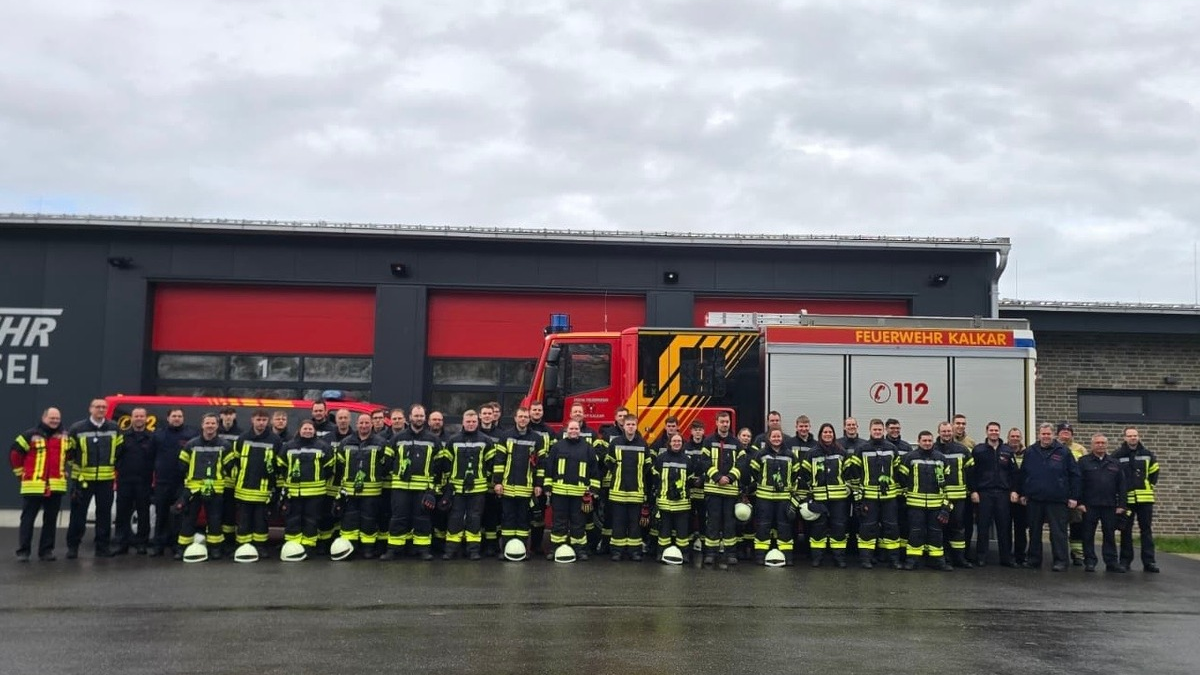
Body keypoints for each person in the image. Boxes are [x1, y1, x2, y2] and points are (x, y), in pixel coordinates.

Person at [1016, 423, 1081, 572]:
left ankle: (1060, 561)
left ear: (1053, 435)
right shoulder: (1031, 451)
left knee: (1058, 532)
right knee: (1034, 532)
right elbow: (1024, 474)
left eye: (1048, 434)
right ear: (1039, 435)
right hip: (1035, 498)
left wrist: (1074, 497)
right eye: (1043, 434)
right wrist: (1023, 493)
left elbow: (1075, 475)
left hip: (1057, 499)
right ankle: (1033, 560)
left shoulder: (1063, 452)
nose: (1046, 436)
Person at [10, 407, 69, 561]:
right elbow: (15, 454)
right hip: (34, 485)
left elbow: (69, 455)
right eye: (52, 418)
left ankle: (46, 551)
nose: (55, 421)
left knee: (50, 521)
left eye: (57, 418)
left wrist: (63, 470)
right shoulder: (30, 435)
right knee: (28, 520)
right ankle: (23, 552)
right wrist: (21, 474)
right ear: (44, 418)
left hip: (56, 485)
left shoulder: (65, 436)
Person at [383, 404, 441, 561]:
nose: (419, 419)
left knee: (422, 519)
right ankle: (394, 549)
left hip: (423, 488)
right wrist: (396, 475)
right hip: (400, 487)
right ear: (410, 417)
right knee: (398, 518)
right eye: (416, 416)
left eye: (421, 416)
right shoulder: (398, 438)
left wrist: (432, 490)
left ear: (425, 418)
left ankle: (422, 549)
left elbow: (440, 468)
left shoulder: (433, 440)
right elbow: (387, 462)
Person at [66, 398, 122, 558]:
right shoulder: (77, 428)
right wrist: (77, 469)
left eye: (103, 407)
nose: (101, 410)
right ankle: (73, 547)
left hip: (105, 479)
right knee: (78, 515)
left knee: (104, 515)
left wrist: (114, 467)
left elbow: (120, 450)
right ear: (90, 409)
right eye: (98, 407)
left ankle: (102, 548)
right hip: (82, 480)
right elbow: (69, 452)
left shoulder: (114, 427)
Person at [437, 410, 496, 560]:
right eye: (468, 422)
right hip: (457, 488)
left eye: (474, 422)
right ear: (463, 422)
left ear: (478, 422)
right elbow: (446, 465)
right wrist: (447, 486)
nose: (471, 424)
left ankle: (473, 550)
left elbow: (492, 465)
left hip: (478, 489)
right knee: (455, 518)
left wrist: (485, 478)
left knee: (474, 519)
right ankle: (451, 550)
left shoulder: (486, 440)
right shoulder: (453, 440)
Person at [491, 406, 548, 560]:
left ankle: (523, 549)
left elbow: (541, 464)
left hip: (526, 488)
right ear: (515, 418)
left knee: (523, 520)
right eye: (520, 416)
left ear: (528, 419)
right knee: (508, 519)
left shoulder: (537, 438)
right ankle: (506, 550)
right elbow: (499, 461)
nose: (523, 419)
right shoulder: (506, 436)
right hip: (507, 487)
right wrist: (497, 482)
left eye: (525, 417)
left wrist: (538, 484)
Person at [175, 413, 234, 561]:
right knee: (189, 520)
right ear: (202, 425)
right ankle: (183, 549)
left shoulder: (225, 445)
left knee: (214, 521)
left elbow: (230, 467)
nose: (210, 426)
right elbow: (182, 466)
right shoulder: (191, 444)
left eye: (213, 423)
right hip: (194, 489)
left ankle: (215, 549)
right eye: (207, 423)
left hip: (216, 489)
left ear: (217, 425)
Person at [845, 419, 902, 569]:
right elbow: (854, 472)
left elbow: (898, 471)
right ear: (870, 430)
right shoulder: (862, 449)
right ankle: (866, 559)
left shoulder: (891, 448)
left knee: (891, 528)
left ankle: (894, 559)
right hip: (869, 497)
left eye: (879, 429)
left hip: (889, 497)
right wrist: (859, 496)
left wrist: (894, 489)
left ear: (883, 430)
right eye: (875, 430)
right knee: (867, 528)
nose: (877, 432)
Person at [335, 414, 391, 559]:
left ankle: (368, 549)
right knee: (349, 520)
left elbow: (387, 464)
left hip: (372, 490)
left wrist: (376, 475)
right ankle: (350, 547)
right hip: (350, 490)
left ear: (371, 424)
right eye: (361, 423)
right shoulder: (346, 442)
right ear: (357, 424)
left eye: (367, 423)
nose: (364, 425)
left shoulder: (381, 442)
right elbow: (340, 464)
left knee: (369, 520)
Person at [278, 419, 336, 557]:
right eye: (305, 428)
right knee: (293, 519)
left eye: (310, 429)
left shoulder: (323, 446)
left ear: (314, 431)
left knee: (311, 520)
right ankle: (293, 546)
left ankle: (308, 546)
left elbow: (329, 467)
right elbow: (281, 464)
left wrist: (318, 478)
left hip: (315, 492)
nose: (308, 431)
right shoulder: (289, 446)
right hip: (294, 492)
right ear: (299, 430)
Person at [543, 420, 599, 560]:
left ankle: (579, 549)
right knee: (559, 522)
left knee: (578, 522)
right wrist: (547, 487)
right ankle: (556, 548)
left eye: (576, 428)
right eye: (571, 428)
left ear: (579, 430)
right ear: (566, 430)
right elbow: (549, 467)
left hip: (579, 494)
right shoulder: (557, 447)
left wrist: (593, 490)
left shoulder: (588, 448)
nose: (574, 431)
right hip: (559, 493)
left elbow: (594, 470)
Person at [231, 409, 283, 558]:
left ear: (268, 422)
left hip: (264, 490)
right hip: (243, 488)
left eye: (264, 420)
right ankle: (243, 546)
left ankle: (260, 547)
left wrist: (276, 489)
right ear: (252, 420)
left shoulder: (275, 440)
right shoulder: (242, 438)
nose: (261, 423)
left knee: (261, 521)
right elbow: (235, 462)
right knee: (244, 520)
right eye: (258, 420)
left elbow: (279, 466)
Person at [897, 431, 952, 571]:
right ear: (918, 441)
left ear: (933, 441)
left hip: (936, 504)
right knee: (915, 532)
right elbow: (901, 478)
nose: (927, 443)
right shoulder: (910, 457)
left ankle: (938, 561)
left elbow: (948, 483)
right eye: (924, 441)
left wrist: (946, 507)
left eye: (929, 440)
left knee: (936, 533)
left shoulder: (940, 458)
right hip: (915, 504)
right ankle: (912, 560)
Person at [603, 415, 652, 562]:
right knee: (618, 522)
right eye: (628, 424)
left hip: (636, 491)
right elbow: (608, 462)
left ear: (637, 426)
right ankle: (617, 551)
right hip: (618, 491)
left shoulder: (643, 444)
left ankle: (634, 551)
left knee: (634, 524)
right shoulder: (615, 443)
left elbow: (647, 466)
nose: (630, 427)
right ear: (623, 426)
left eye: (633, 424)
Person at [802, 423, 851, 568]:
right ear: (820, 435)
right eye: (825, 432)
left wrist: (848, 488)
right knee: (818, 528)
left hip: (839, 499)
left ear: (834, 434)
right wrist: (811, 490)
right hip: (819, 497)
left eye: (830, 432)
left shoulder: (841, 452)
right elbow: (805, 474)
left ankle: (839, 558)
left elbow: (848, 472)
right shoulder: (812, 452)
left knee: (839, 528)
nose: (828, 434)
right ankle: (817, 557)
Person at [968, 422, 1017, 567]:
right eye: (991, 430)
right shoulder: (978, 450)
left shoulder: (1007, 450)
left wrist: (1014, 490)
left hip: (1003, 493)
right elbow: (972, 473)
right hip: (984, 493)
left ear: (1000, 432)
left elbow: (1014, 473)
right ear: (986, 431)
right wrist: (974, 491)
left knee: (1004, 526)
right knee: (983, 526)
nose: (994, 432)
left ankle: (1006, 557)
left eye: (996, 430)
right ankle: (981, 557)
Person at [699, 411, 744, 567]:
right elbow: (704, 461)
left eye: (727, 422)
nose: (725, 424)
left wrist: (730, 478)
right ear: (716, 422)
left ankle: (730, 553)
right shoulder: (708, 441)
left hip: (730, 491)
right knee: (712, 522)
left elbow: (742, 463)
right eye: (722, 421)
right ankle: (710, 553)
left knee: (730, 523)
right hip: (713, 489)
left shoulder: (736, 443)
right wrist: (718, 477)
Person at [749, 428, 799, 565]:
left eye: (779, 436)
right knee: (762, 526)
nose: (776, 439)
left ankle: (787, 556)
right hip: (764, 498)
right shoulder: (760, 454)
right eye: (774, 436)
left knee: (785, 527)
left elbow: (795, 473)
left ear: (782, 438)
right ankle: (760, 555)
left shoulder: (790, 455)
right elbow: (754, 471)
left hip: (783, 498)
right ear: (768, 438)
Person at [1113, 426, 1160, 573]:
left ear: (1138, 437)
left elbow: (1154, 472)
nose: (1133, 438)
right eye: (1130, 435)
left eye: (1135, 435)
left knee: (1146, 531)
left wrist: (1149, 486)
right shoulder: (1117, 455)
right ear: (1125, 438)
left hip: (1145, 499)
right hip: (1127, 500)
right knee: (1125, 531)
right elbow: (1114, 476)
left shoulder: (1148, 454)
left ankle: (1149, 562)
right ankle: (1125, 561)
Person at [1078, 434, 1126, 573]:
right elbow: (1078, 483)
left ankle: (1111, 562)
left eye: (1103, 443)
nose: (1100, 445)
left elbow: (1122, 485)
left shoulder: (1115, 463)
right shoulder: (1083, 462)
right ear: (1092, 445)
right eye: (1097, 443)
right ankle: (1090, 561)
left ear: (1106, 445)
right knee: (1087, 535)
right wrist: (1079, 502)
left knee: (1109, 535)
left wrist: (1122, 505)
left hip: (1109, 505)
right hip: (1089, 505)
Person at [150, 408, 194, 557]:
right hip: (162, 481)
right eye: (174, 416)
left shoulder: (191, 435)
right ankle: (158, 546)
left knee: (178, 515)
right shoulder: (158, 435)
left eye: (180, 416)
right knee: (161, 514)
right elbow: (150, 456)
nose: (177, 418)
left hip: (181, 482)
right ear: (168, 418)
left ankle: (176, 545)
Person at [114, 407, 154, 555]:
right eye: (136, 416)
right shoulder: (123, 436)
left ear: (146, 418)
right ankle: (121, 543)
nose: (139, 418)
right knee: (122, 513)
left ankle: (141, 543)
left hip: (144, 481)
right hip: (125, 481)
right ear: (131, 418)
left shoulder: (152, 437)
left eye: (141, 416)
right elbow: (115, 457)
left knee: (143, 514)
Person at [934, 421, 973, 568]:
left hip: (958, 497)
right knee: (941, 527)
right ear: (939, 432)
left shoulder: (962, 449)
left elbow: (970, 471)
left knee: (958, 527)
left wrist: (971, 489)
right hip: (939, 497)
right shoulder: (933, 449)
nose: (946, 434)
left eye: (948, 431)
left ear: (952, 432)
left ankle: (960, 558)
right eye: (943, 431)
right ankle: (944, 557)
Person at [651, 432, 694, 561]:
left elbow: (691, 479)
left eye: (679, 441)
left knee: (682, 532)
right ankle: (661, 553)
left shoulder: (687, 459)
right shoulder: (661, 458)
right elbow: (655, 477)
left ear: (682, 443)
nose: (676, 443)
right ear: (669, 443)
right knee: (664, 531)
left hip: (682, 503)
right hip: (664, 502)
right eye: (674, 441)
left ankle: (684, 554)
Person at [1056, 422, 1088, 566]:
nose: (1066, 434)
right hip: (1057, 494)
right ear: (1058, 434)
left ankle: (1077, 555)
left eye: (1069, 431)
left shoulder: (1080, 449)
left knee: (1077, 525)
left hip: (1074, 493)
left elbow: (1084, 472)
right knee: (1058, 526)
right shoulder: (1052, 447)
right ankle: (1059, 555)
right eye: (1063, 431)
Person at [215, 406, 242, 551]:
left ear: (235, 416)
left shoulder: (241, 434)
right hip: (215, 480)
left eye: (230, 414)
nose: (227, 417)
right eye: (225, 414)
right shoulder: (214, 431)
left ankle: (229, 542)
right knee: (215, 512)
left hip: (233, 480)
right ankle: (215, 541)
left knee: (229, 513)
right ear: (220, 416)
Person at [885, 418, 912, 561]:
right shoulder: (882, 446)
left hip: (903, 493)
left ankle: (903, 552)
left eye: (897, 428)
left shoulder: (906, 447)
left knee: (904, 523)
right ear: (886, 429)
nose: (895, 431)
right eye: (892, 428)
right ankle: (885, 554)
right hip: (888, 493)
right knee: (888, 524)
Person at [1006, 427, 1029, 565]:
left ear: (1021, 438)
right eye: (1012, 436)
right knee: (1006, 527)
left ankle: (1020, 555)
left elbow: (1030, 476)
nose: (1015, 438)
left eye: (1017, 436)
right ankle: (1007, 554)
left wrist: (1024, 494)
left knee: (1021, 528)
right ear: (1008, 437)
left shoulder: (1029, 453)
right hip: (1006, 496)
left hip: (1022, 498)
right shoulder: (1003, 451)